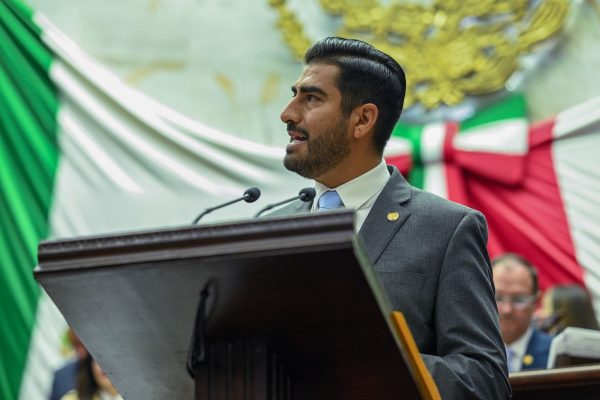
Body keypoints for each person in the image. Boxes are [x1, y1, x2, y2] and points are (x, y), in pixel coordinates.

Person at [270, 36, 510, 399]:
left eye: (312, 98)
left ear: (363, 119)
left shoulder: (446, 229)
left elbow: (484, 379)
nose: (288, 113)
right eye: (294, 95)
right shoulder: (269, 228)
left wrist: (376, 363)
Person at [492, 253, 553, 372]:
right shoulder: (464, 352)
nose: (507, 310)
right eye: (497, 298)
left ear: (536, 302)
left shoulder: (557, 354)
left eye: (519, 299)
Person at [49, 329, 88, 400]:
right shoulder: (61, 376)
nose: (81, 352)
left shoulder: (103, 374)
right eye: (76, 345)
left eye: (84, 345)